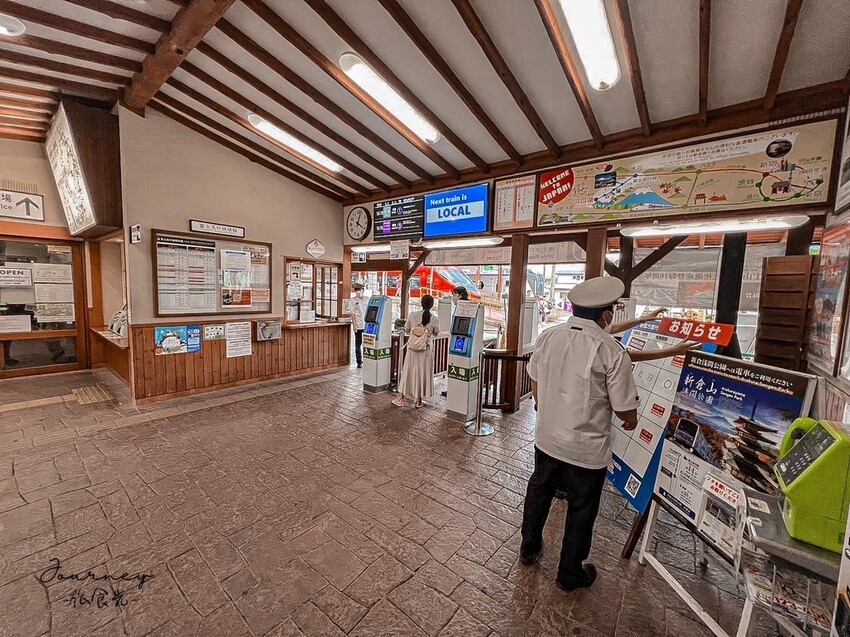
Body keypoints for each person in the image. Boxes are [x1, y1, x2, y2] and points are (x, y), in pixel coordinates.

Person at [520, 276, 639, 592]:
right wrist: (631, 420)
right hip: (586, 450)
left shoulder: (548, 336)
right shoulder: (611, 351)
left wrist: (545, 410)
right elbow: (625, 409)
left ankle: (529, 548)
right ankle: (570, 572)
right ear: (607, 315)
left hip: (547, 439)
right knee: (581, 508)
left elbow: (534, 378)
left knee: (539, 491)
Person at [393, 294, 440, 408]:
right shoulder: (435, 319)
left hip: (412, 349)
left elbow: (407, 329)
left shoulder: (412, 315)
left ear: (421, 303)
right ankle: (418, 400)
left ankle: (401, 399)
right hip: (426, 350)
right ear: (432, 305)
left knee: (408, 372)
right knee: (422, 373)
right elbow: (436, 333)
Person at [441, 286, 469, 397]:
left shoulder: (465, 308)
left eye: (454, 294)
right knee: (456, 366)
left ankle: (455, 390)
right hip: (459, 340)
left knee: (458, 365)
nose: (453, 297)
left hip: (461, 341)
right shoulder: (461, 307)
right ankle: (453, 389)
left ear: (460, 295)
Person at [349, 283, 367, 369]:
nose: (358, 292)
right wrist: (354, 325)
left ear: (363, 290)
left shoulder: (367, 299)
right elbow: (352, 313)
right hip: (358, 325)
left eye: (359, 290)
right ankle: (359, 362)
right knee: (358, 344)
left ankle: (367, 360)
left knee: (367, 343)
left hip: (367, 325)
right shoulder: (353, 301)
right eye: (356, 290)